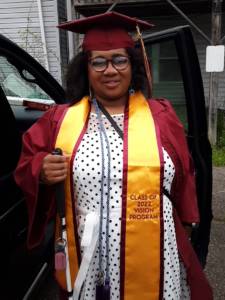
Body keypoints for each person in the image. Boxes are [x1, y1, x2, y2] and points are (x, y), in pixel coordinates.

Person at [14, 11, 213, 300]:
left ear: (133, 65)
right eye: (99, 61)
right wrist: (41, 170)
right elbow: (26, 164)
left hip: (155, 250)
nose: (110, 70)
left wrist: (187, 224)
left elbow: (184, 174)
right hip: (87, 253)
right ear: (86, 68)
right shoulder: (60, 120)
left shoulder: (161, 116)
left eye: (119, 59)